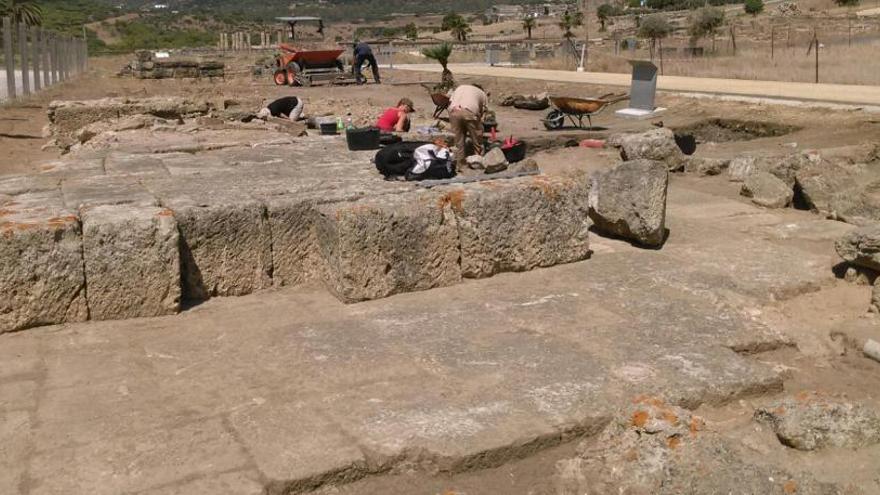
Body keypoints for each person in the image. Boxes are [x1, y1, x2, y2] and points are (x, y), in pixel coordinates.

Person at [448, 84, 489, 172]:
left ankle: (460, 164)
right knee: (477, 139)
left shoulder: (460, 87)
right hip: (470, 111)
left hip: (453, 111)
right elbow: (483, 113)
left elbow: (450, 101)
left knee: (458, 140)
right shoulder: (482, 93)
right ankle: (478, 162)